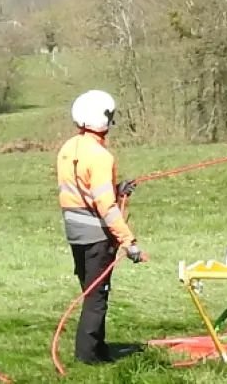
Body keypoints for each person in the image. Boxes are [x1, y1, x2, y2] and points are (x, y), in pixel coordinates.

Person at [56, 90, 145, 365]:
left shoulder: (68, 148)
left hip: (75, 232)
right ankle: (88, 356)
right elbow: (106, 207)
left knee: (91, 291)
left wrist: (118, 189)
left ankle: (99, 348)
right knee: (97, 297)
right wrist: (129, 242)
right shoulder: (101, 156)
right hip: (96, 236)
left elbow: (85, 188)